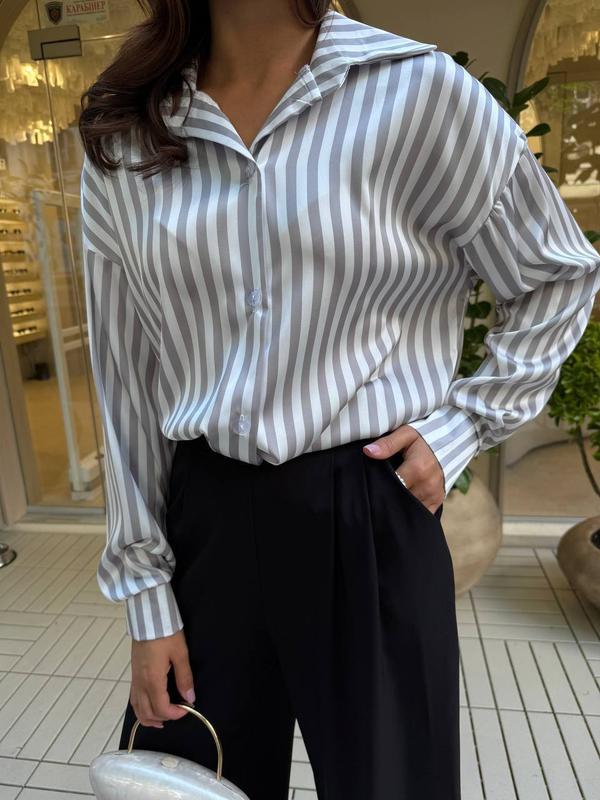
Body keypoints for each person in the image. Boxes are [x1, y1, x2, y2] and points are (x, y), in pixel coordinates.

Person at [78, 1, 600, 798]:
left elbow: (555, 273)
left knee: (391, 783)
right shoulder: (128, 129)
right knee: (191, 781)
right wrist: (147, 599)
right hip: (206, 522)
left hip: (369, 510)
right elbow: (125, 378)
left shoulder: (417, 91)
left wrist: (463, 425)